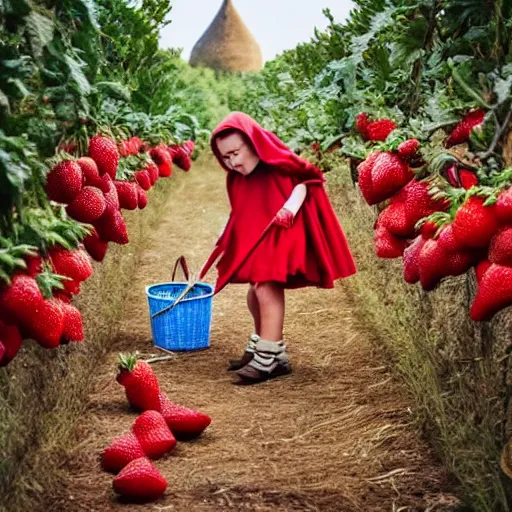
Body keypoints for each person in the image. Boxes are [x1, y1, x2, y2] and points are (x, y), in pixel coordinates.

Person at [199, 112, 356, 384]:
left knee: (266, 286)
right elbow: (242, 209)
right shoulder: (238, 178)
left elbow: (307, 179)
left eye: (236, 153)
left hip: (283, 230)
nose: (232, 162)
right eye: (225, 158)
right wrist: (230, 232)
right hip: (262, 235)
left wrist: (289, 208)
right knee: (254, 292)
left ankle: (267, 357)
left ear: (253, 143)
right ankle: (272, 350)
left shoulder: (278, 162)